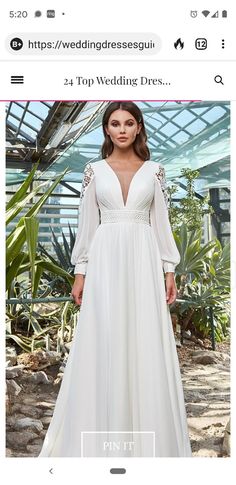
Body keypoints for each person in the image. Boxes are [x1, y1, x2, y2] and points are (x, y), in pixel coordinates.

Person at [38, 101, 192, 458]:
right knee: (103, 337)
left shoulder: (155, 171)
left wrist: (169, 269)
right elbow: (87, 227)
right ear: (106, 130)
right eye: (114, 123)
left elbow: (161, 224)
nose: (121, 129)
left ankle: (147, 440)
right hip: (106, 260)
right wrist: (81, 272)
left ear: (138, 128)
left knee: (144, 336)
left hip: (143, 257)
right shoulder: (93, 170)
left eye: (128, 123)